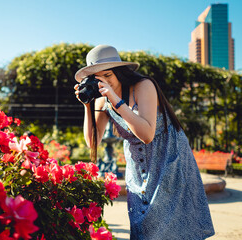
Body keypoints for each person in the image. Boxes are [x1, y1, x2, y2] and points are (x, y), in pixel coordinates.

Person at [74, 45, 215, 239]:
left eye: (108, 75)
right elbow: (92, 142)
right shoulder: (102, 100)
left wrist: (115, 101)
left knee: (170, 223)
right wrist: (87, 107)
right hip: (138, 164)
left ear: (119, 72)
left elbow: (147, 134)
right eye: (99, 78)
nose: (104, 82)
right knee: (143, 222)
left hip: (168, 156)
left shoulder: (143, 85)